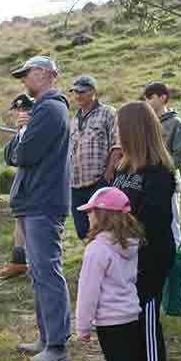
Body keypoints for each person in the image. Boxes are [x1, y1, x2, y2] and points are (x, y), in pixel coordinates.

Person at [111, 102, 177, 361]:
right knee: (129, 325)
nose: (116, 132)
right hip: (123, 260)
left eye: (120, 127)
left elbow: (155, 221)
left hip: (148, 261)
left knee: (147, 322)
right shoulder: (123, 167)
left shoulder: (159, 173)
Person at [9, 55, 72, 361]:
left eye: (28, 73)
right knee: (39, 271)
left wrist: (23, 135)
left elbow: (26, 153)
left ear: (48, 74)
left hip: (42, 200)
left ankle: (57, 346)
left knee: (46, 270)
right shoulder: (41, 110)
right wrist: (21, 132)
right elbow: (13, 154)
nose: (24, 80)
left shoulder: (50, 108)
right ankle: (46, 338)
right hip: (35, 199)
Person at [74, 187, 143, 361]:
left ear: (102, 216)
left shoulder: (97, 249)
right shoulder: (131, 244)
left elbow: (88, 290)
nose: (88, 216)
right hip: (131, 316)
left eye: (91, 212)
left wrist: (83, 325)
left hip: (109, 321)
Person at [68, 75, 117, 240]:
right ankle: (92, 260)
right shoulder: (73, 120)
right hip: (76, 184)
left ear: (93, 92)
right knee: (83, 231)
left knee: (103, 229)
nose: (78, 96)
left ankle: (105, 262)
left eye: (82, 91)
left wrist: (109, 173)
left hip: (99, 181)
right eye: (75, 92)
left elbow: (117, 145)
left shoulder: (108, 113)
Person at [142, 82, 181, 247]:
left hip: (169, 183)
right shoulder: (146, 123)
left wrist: (160, 170)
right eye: (145, 98)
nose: (147, 101)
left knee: (172, 226)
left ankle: (177, 266)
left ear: (163, 97)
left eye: (150, 97)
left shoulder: (176, 123)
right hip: (147, 184)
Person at [2, 94, 33, 278]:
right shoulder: (22, 129)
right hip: (23, 180)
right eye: (18, 110)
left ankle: (33, 263)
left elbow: (16, 157)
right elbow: (9, 157)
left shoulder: (37, 126)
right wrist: (20, 131)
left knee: (33, 220)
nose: (20, 114)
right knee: (20, 218)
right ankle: (19, 261)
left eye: (24, 110)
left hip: (37, 181)